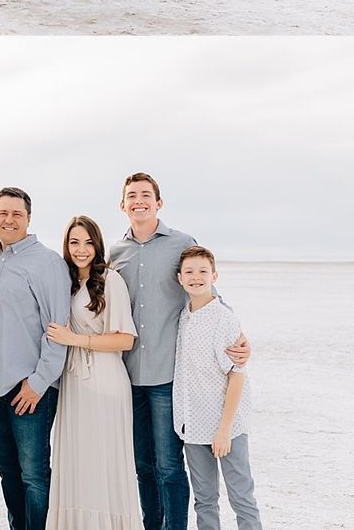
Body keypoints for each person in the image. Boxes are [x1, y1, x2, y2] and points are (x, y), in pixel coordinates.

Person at [109, 173, 251, 530]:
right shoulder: (114, 253)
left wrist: (238, 336)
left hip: (168, 375)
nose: (138, 201)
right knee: (141, 466)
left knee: (169, 466)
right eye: (131, 196)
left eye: (146, 195)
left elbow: (205, 291)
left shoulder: (181, 243)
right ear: (122, 205)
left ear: (159, 203)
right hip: (126, 374)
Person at [0, 187, 71, 530]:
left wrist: (39, 383)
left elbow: (58, 330)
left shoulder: (48, 263)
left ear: (29, 218)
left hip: (28, 389)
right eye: (3, 213)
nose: (9, 219)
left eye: (17, 214)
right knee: (7, 473)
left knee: (35, 476)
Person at [45, 216, 142, 530]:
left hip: (105, 381)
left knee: (104, 463)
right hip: (73, 383)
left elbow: (125, 340)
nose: (81, 249)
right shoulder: (66, 280)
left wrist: (77, 340)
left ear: (97, 244)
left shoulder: (109, 279)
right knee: (78, 463)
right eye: (74, 242)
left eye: (88, 242)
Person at [174, 246, 263, 530]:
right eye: (189, 272)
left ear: (215, 276)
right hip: (193, 425)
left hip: (227, 427)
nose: (195, 277)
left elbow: (237, 375)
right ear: (179, 278)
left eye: (202, 271)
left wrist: (224, 431)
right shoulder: (183, 315)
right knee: (204, 499)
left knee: (241, 497)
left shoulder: (223, 318)